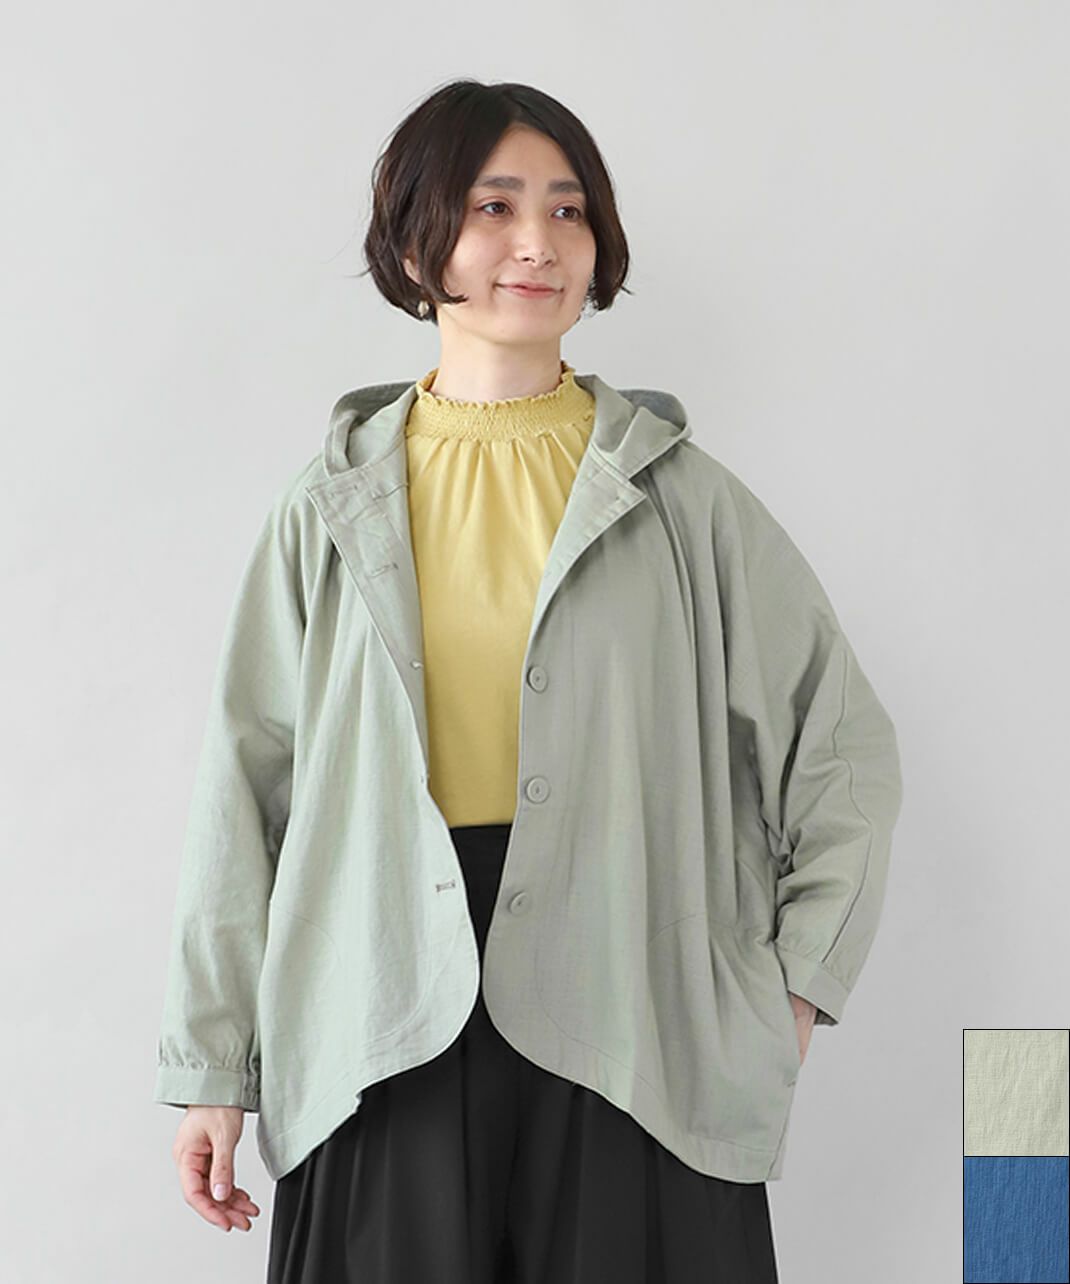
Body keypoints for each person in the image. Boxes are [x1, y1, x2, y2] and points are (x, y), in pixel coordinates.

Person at [155, 79, 903, 1282]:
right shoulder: (329, 506)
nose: (537, 244)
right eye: (492, 207)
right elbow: (246, 792)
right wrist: (213, 1069)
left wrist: (793, 989)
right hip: (378, 1011)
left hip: (634, 1014)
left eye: (567, 210)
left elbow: (841, 749)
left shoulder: (682, 500)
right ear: (416, 240)